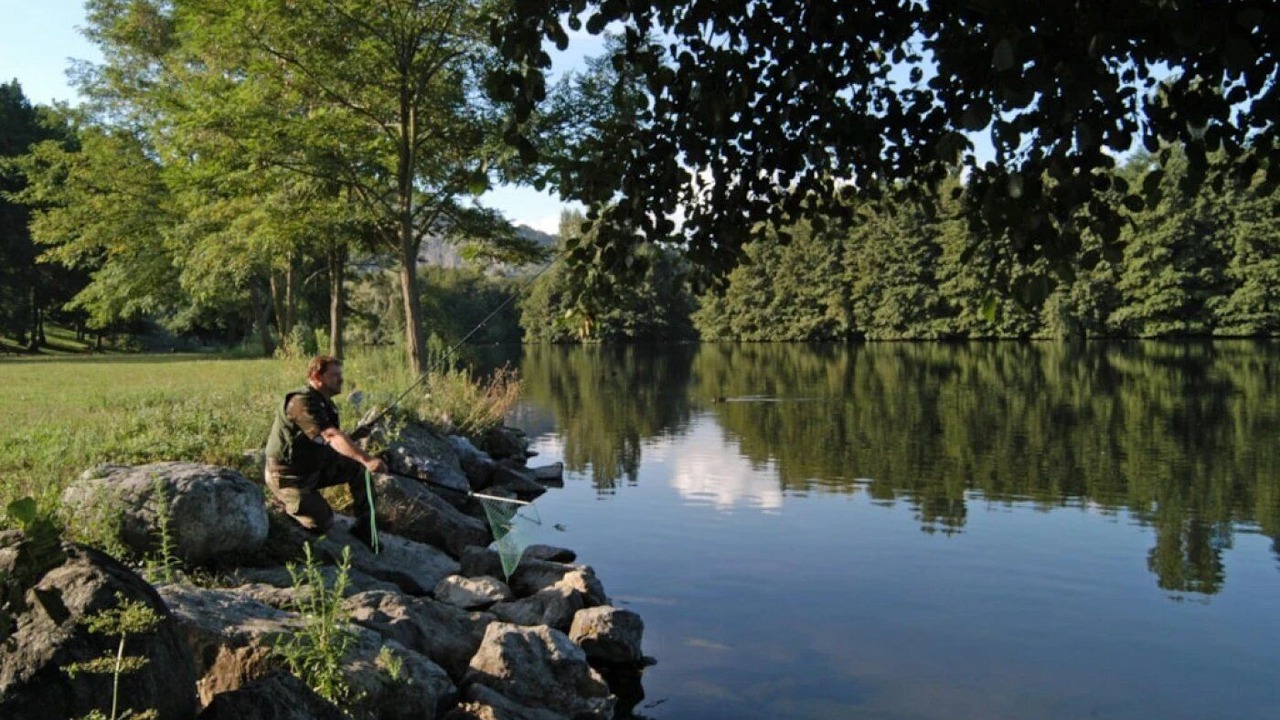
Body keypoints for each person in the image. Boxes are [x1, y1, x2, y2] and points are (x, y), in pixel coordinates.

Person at [264, 355, 386, 547]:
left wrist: (354, 437)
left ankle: (365, 526)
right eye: (334, 375)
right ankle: (286, 506)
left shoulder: (323, 402)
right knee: (323, 523)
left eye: (340, 374)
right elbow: (330, 436)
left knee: (357, 469)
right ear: (316, 376)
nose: (341, 379)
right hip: (289, 476)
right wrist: (367, 459)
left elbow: (321, 440)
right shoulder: (301, 402)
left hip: (314, 468)